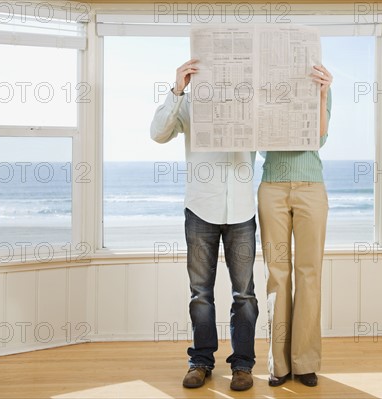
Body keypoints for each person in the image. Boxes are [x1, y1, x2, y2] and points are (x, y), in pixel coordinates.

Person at [150, 59, 259, 392]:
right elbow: (158, 134)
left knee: (244, 295)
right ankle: (201, 361)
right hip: (201, 207)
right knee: (200, 293)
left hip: (241, 208)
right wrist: (178, 88)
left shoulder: (252, 104)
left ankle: (242, 365)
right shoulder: (189, 104)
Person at [258, 65, 333, 388]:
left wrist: (323, 93)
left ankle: (305, 362)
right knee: (277, 275)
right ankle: (280, 363)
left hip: (311, 187)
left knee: (309, 274)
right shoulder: (263, 92)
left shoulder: (320, 87)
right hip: (272, 186)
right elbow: (261, 145)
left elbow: (319, 138)